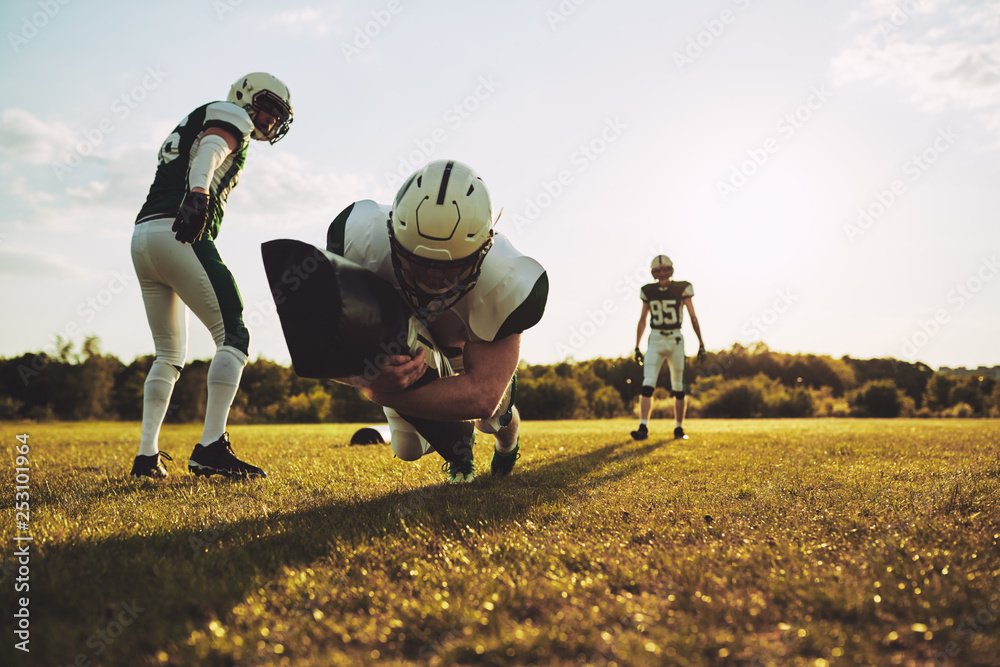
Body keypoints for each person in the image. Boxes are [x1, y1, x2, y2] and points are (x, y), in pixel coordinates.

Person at [327, 159, 548, 483]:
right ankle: (460, 451)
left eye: (450, 266)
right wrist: (367, 374)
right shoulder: (359, 238)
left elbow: (482, 396)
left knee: (492, 417)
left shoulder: (508, 279)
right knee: (408, 447)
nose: (433, 276)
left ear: (484, 248)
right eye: (420, 261)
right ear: (392, 234)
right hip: (405, 344)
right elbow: (321, 343)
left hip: (467, 353)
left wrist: (373, 386)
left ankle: (507, 442)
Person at [129, 73, 294, 479]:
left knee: (168, 354)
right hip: (177, 231)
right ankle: (210, 447)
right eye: (268, 108)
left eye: (278, 115)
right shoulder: (229, 116)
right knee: (234, 335)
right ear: (244, 96)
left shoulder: (193, 121)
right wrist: (199, 194)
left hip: (142, 237)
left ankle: (147, 456)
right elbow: (211, 149)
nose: (270, 120)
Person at [631, 254, 705, 441]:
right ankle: (643, 427)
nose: (662, 273)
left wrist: (701, 342)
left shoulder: (682, 288)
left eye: (665, 269)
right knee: (647, 384)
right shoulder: (648, 291)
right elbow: (643, 320)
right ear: (653, 273)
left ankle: (679, 428)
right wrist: (637, 346)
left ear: (671, 270)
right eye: (658, 270)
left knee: (678, 387)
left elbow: (693, 317)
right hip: (655, 338)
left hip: (675, 339)